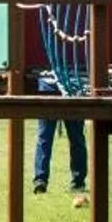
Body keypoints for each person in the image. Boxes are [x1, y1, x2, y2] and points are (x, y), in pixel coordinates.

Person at [31, 68, 88, 201]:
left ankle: (76, 180)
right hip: (62, 81)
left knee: (72, 137)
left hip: (71, 81)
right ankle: (42, 180)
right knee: (49, 136)